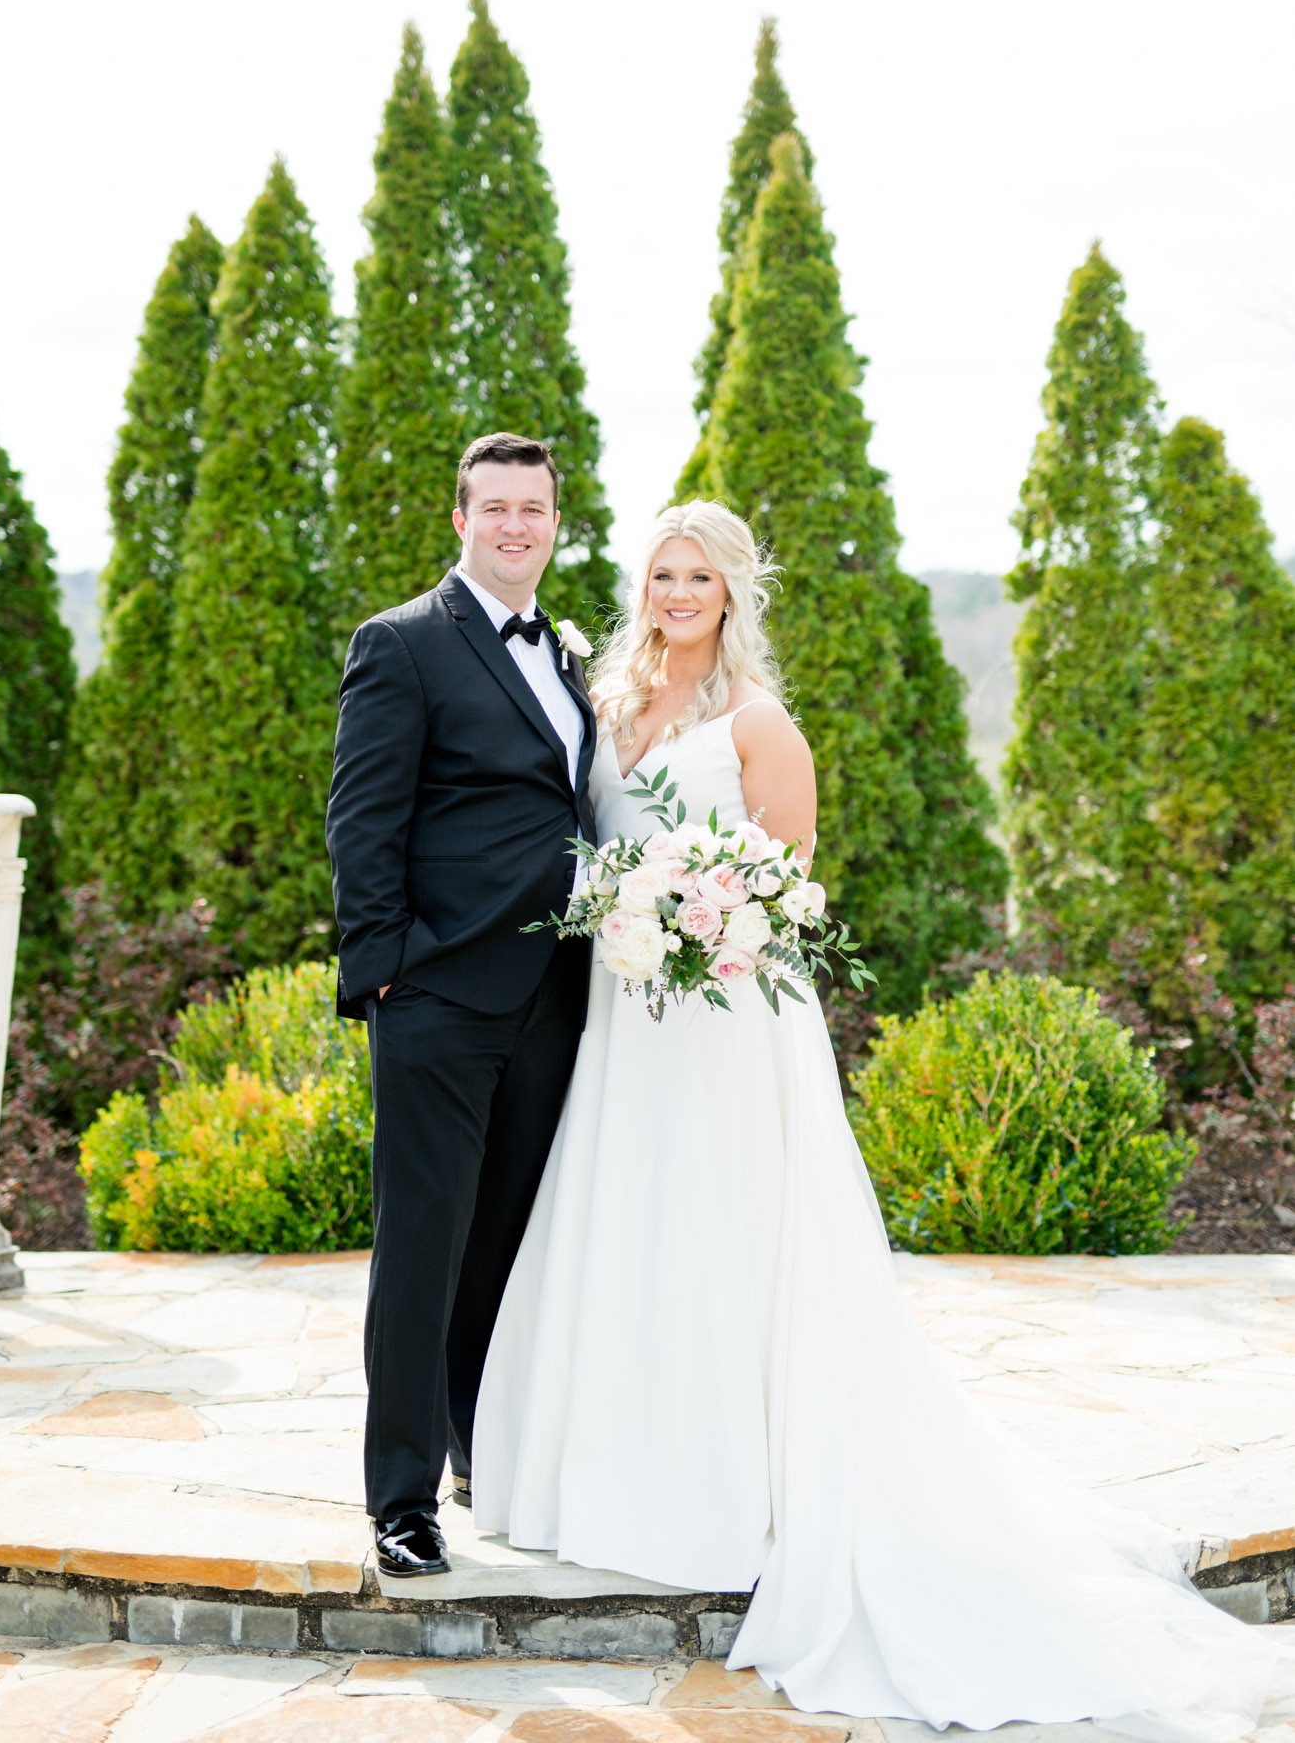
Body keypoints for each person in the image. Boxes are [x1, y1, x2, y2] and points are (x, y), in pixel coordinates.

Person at [473, 497, 1290, 1739]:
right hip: (623, 1022)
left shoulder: (760, 722)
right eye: (660, 572)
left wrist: (701, 911)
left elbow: (789, 888)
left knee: (735, 1241)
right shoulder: (608, 700)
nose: (676, 592)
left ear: (735, 592)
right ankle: (613, 1471)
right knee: (630, 1231)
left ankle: (733, 1485)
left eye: (698, 575)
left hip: (726, 1023)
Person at [326, 431, 595, 1578]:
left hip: (557, 990)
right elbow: (362, 816)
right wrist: (382, 970)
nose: (515, 525)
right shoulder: (401, 642)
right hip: (438, 991)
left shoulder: (569, 653)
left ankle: (480, 1443)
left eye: (532, 507)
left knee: (506, 1237)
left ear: (553, 520)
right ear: (460, 520)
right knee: (422, 1244)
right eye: (494, 507)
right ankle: (400, 1498)